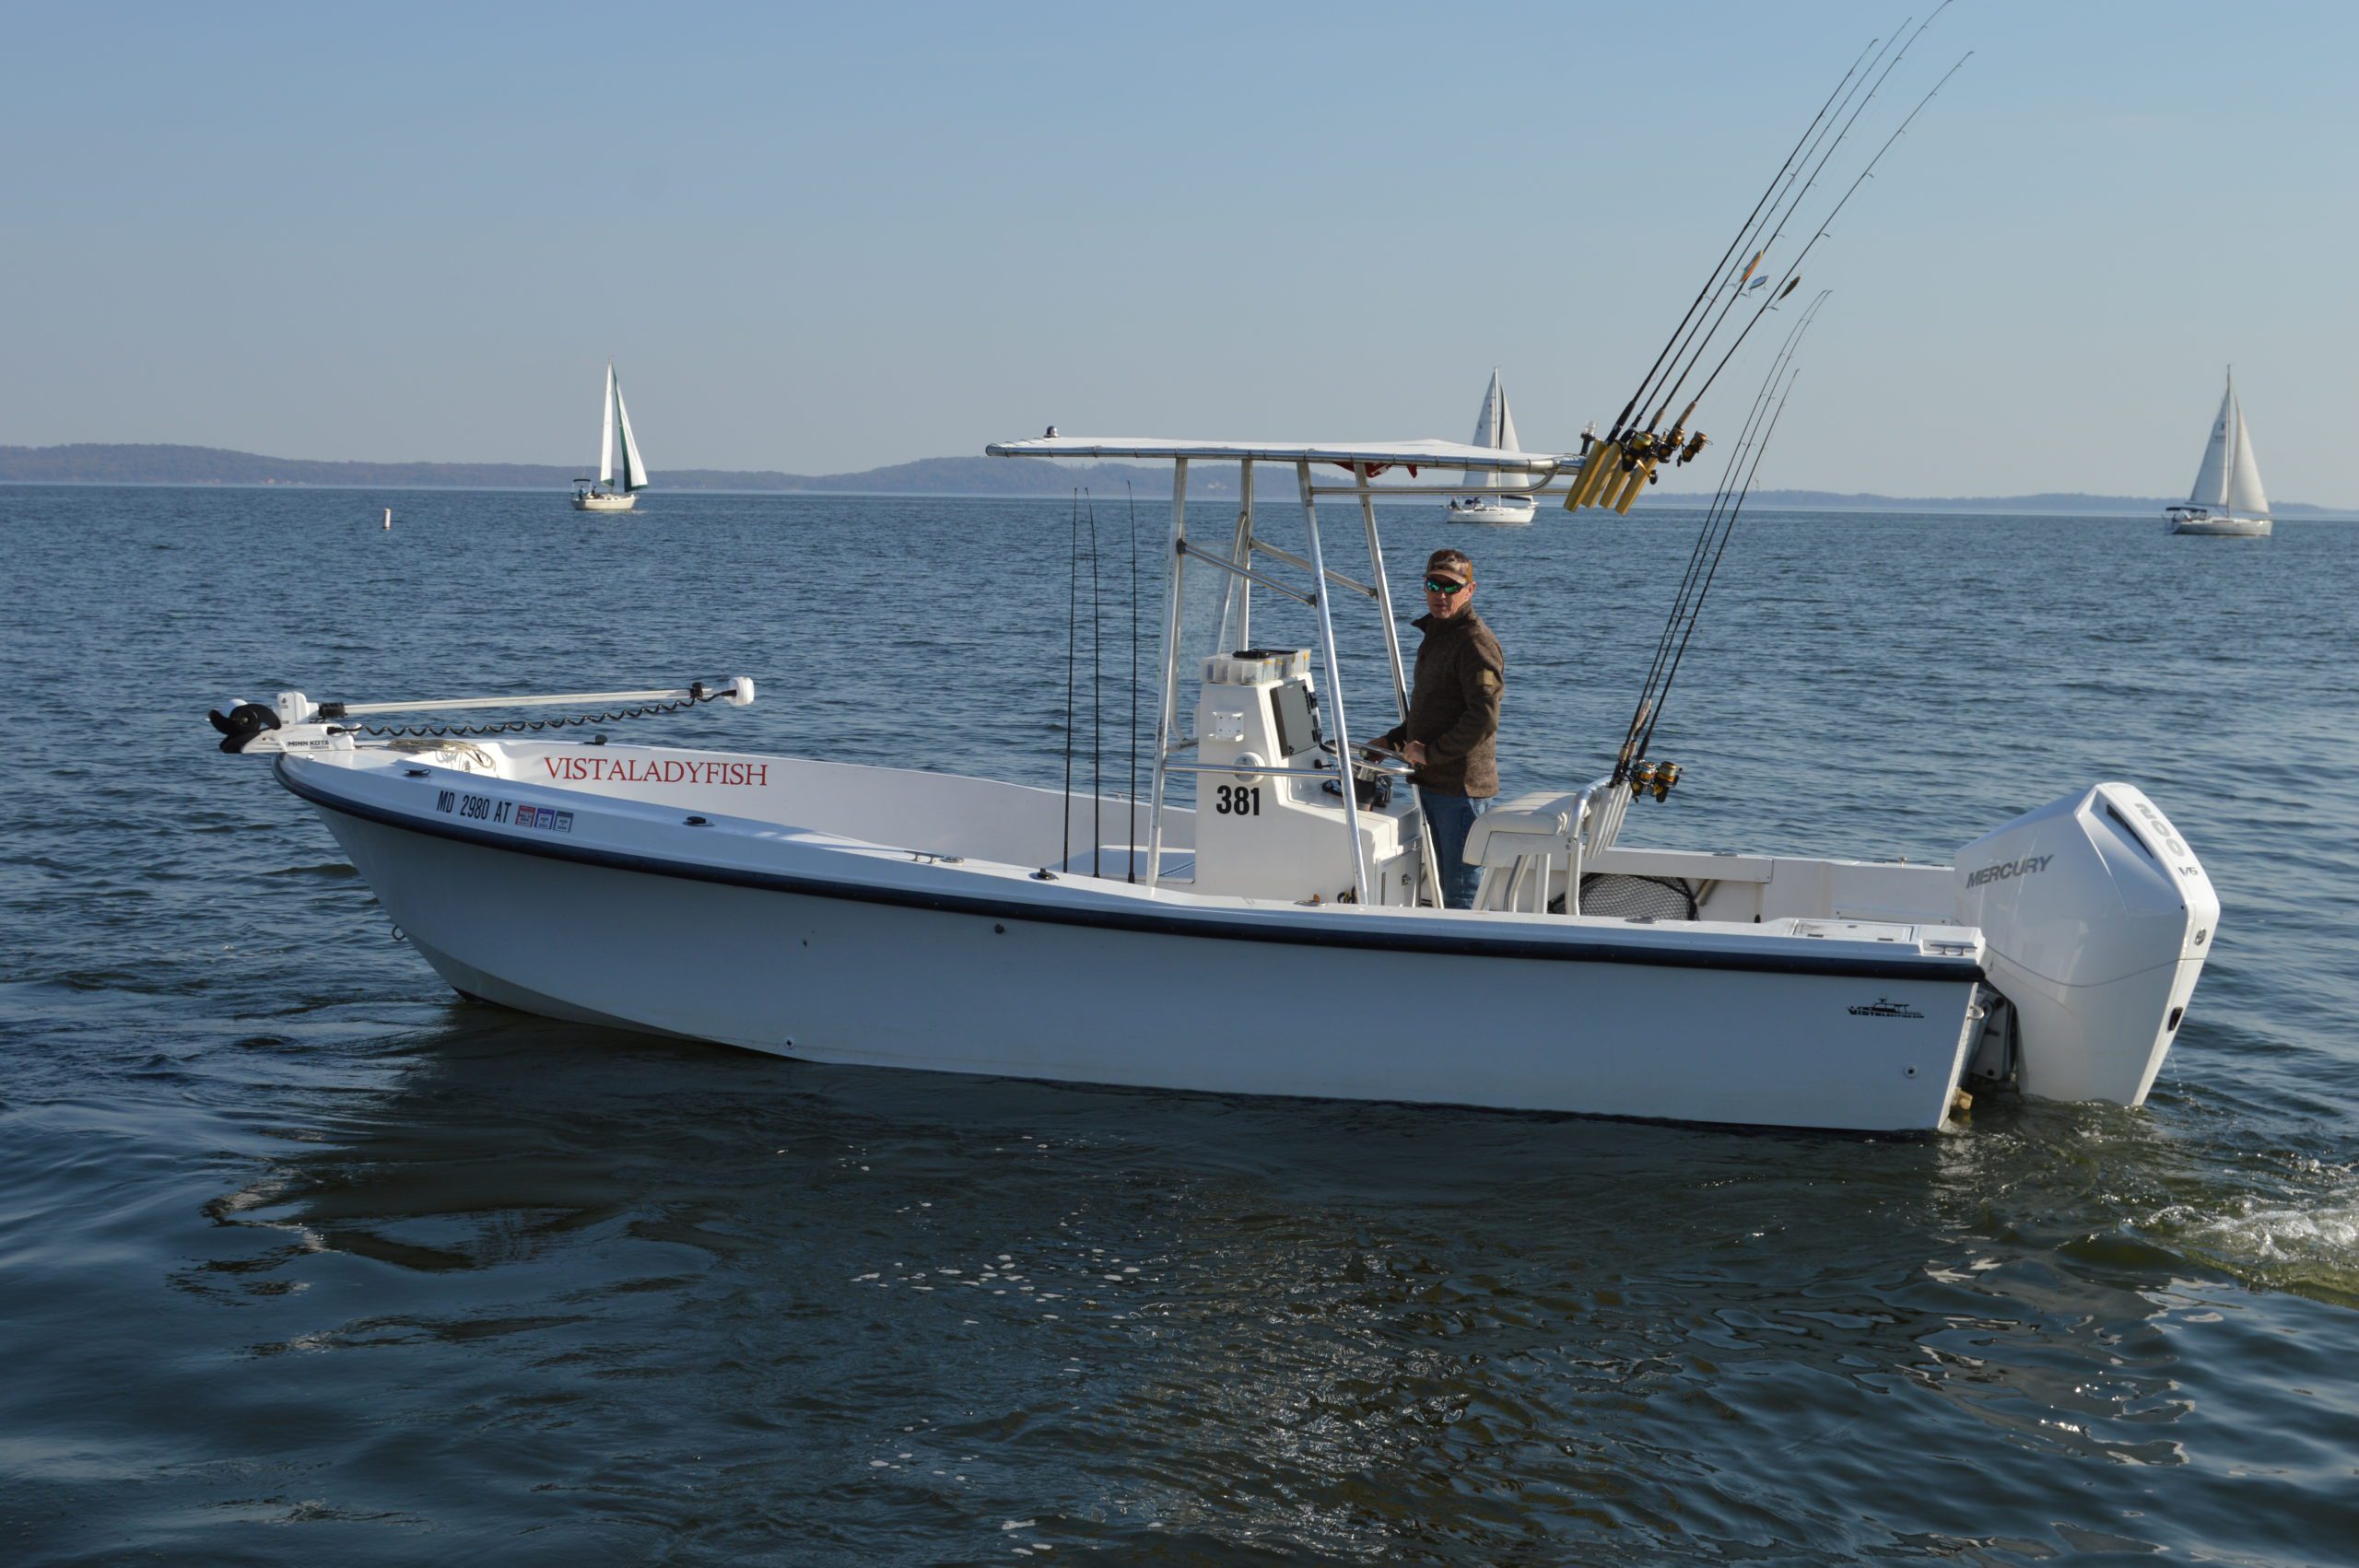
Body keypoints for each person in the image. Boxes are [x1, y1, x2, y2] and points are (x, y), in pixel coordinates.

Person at [1369, 547, 1505, 909]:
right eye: (1434, 584)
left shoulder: (1474, 642)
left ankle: (1469, 960)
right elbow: (1435, 709)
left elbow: (1483, 717)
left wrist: (1430, 753)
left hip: (1460, 790)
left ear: (1470, 590)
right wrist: (1393, 739)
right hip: (1432, 783)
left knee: (1462, 891)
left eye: (1451, 586)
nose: (1441, 594)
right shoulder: (1437, 634)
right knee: (1445, 888)